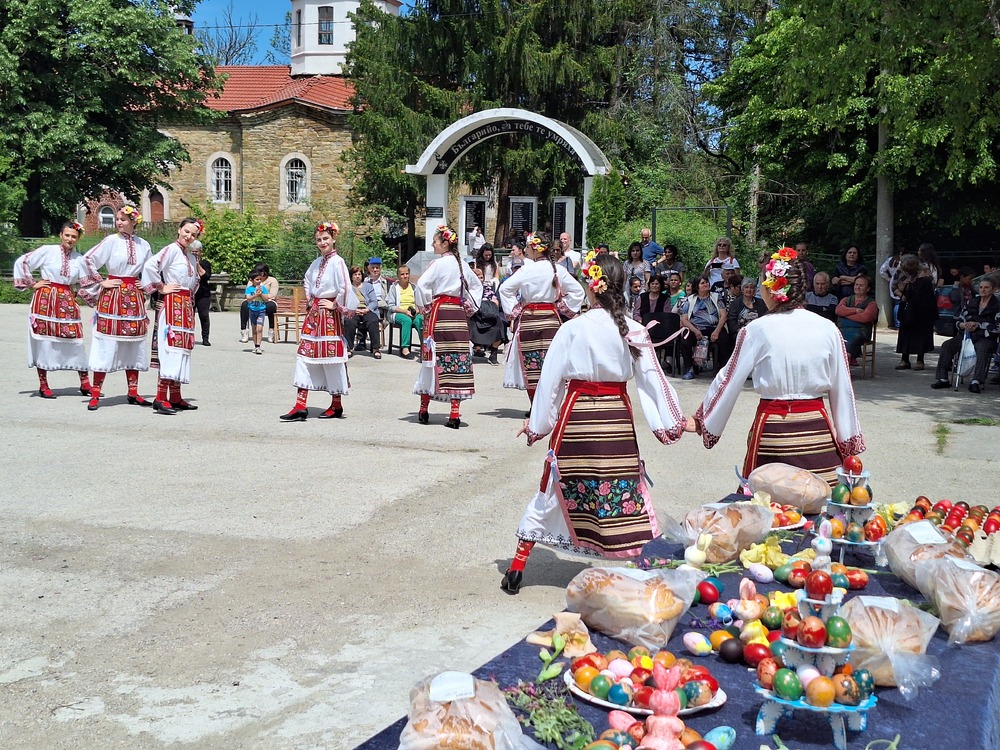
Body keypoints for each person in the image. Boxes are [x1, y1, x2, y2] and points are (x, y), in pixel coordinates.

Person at [500, 253, 689, 595]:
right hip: (615, 419)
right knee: (625, 491)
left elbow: (550, 381)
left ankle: (516, 567)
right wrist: (675, 421)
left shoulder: (572, 328)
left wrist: (536, 425)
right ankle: (645, 569)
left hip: (577, 419)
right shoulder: (631, 329)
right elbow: (653, 380)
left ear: (591, 285)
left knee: (551, 491)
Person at [694, 247, 865, 487]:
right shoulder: (828, 329)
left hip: (774, 431)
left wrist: (703, 420)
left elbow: (728, 379)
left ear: (772, 288)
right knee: (821, 505)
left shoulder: (756, 330)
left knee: (768, 507)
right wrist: (848, 441)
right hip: (816, 431)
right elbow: (843, 389)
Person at [279, 222, 357, 421]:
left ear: (333, 239)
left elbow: (345, 287)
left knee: (331, 359)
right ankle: (300, 405)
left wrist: (335, 305)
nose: (322, 242)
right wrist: (311, 299)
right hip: (314, 316)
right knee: (305, 358)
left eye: (325, 239)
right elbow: (307, 279)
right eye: (319, 240)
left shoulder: (337, 261)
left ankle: (336, 404)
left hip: (329, 317)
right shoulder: (316, 263)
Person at [79, 205, 153, 409]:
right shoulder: (111, 241)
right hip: (113, 296)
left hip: (134, 298)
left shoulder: (143, 245)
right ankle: (95, 393)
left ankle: (133, 392)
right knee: (106, 343)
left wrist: (145, 284)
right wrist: (101, 281)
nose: (119, 222)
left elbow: (151, 268)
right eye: (118, 219)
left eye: (123, 219)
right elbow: (87, 260)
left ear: (133, 222)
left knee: (133, 344)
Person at [499, 235, 585, 408]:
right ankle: (551, 406)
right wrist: (561, 306)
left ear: (536, 249)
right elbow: (577, 291)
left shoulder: (526, 270)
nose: (527, 250)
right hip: (551, 320)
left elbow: (505, 289)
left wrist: (515, 310)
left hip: (530, 320)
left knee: (532, 365)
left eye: (529, 247)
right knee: (551, 363)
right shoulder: (557, 270)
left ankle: (536, 407)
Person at [14, 221, 95, 399]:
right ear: (61, 235)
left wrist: (94, 297)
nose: (70, 239)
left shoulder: (79, 259)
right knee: (44, 341)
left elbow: (87, 281)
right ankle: (43, 384)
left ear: (78, 238)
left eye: (74, 236)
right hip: (46, 299)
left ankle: (85, 383)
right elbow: (23, 262)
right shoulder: (47, 251)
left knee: (75, 340)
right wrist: (32, 283)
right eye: (67, 235)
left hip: (67, 300)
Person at [413, 224, 484, 429]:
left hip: (440, 313)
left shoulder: (438, 264)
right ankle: (454, 413)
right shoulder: (461, 264)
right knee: (458, 359)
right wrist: (470, 308)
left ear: (445, 243)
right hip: (458, 316)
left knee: (433, 360)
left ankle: (424, 408)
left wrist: (425, 308)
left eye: (435, 241)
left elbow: (422, 285)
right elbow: (477, 285)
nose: (433, 244)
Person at [141, 217, 204, 415]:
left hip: (185, 307)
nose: (189, 236)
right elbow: (151, 266)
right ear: (179, 230)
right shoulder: (170, 250)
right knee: (169, 347)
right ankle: (160, 397)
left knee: (181, 349)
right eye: (186, 231)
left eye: (193, 234)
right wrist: (161, 287)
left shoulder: (192, 257)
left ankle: (175, 396)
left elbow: (194, 282)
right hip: (171, 305)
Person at [931, 276, 1000, 393]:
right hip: (966, 334)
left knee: (982, 349)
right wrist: (964, 325)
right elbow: (959, 320)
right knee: (947, 345)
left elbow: (997, 328)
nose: (983, 290)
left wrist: (978, 325)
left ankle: (976, 382)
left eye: (986, 287)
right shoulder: (971, 302)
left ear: (993, 289)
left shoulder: (997, 305)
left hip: (985, 337)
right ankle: (943, 379)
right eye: (981, 287)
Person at [893, 254, 938, 371]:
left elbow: (932, 285)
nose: (906, 269)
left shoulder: (924, 270)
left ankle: (920, 360)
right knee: (905, 331)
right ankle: (904, 359)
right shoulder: (900, 270)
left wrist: (918, 281)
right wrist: (901, 295)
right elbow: (894, 285)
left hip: (923, 305)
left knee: (922, 332)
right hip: (907, 302)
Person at [678, 274, 725, 380]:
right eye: (702, 283)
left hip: (713, 328)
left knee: (724, 338)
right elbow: (684, 319)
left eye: (707, 282)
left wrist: (717, 331)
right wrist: (695, 331)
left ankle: (722, 370)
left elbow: (723, 315)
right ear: (697, 286)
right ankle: (689, 369)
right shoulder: (690, 300)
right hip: (696, 328)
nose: (706, 284)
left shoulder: (716, 297)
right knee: (685, 339)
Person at [835, 275, 878, 366]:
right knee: (836, 338)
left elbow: (866, 317)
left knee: (854, 338)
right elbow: (838, 310)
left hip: (861, 332)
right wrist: (855, 311)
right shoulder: (846, 299)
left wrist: (846, 315)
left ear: (868, 288)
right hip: (843, 330)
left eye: (861, 285)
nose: (857, 287)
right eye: (856, 284)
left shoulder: (871, 303)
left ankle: (846, 363)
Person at [469, 266, 505, 364]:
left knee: (499, 326)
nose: (479, 279)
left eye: (481, 277)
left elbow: (495, 301)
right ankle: (476, 349)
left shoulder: (487, 288)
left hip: (488, 315)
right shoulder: (467, 289)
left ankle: (493, 355)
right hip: (474, 316)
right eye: (476, 277)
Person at [386, 264, 423, 359]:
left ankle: (424, 346)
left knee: (420, 320)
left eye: (407, 274)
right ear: (398, 276)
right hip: (398, 313)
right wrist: (405, 311)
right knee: (407, 320)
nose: (405, 276)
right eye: (402, 274)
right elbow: (391, 306)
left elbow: (419, 303)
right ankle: (405, 348)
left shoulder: (414, 287)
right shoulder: (394, 287)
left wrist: (417, 311)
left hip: (413, 312)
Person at [343, 265, 379, 356]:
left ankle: (375, 348)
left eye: (359, 274)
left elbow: (374, 301)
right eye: (355, 274)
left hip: (367, 309)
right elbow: (344, 302)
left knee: (373, 320)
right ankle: (349, 348)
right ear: (351, 276)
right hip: (353, 310)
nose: (358, 276)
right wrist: (354, 310)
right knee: (349, 321)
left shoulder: (368, 286)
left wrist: (367, 309)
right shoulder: (347, 287)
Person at [239, 264, 279, 343]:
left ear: (263, 273)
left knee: (271, 306)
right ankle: (244, 330)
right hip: (254, 299)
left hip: (267, 300)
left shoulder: (272, 280)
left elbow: (273, 294)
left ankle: (271, 330)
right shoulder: (252, 280)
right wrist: (255, 296)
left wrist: (262, 295)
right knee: (244, 305)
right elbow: (248, 292)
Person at [360, 257, 388, 359]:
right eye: (373, 268)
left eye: (377, 268)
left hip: (380, 307)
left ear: (380, 269)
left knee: (372, 317)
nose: (375, 270)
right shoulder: (364, 282)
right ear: (369, 269)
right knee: (361, 313)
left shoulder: (386, 283)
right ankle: (362, 340)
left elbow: (388, 300)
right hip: (365, 306)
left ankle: (374, 345)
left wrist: (375, 304)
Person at [190, 240, 212, 346]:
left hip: (203, 293)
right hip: (191, 293)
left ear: (200, 252)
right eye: (192, 252)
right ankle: (189, 336)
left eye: (196, 252)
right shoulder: (187, 262)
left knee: (204, 316)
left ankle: (205, 338)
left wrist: (197, 264)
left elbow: (206, 276)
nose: (195, 254)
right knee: (190, 316)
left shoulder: (205, 263)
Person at [244, 269, 269, 355]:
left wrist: (261, 294)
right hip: (252, 310)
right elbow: (248, 299)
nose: (259, 281)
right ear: (252, 280)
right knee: (254, 329)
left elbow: (266, 299)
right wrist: (255, 295)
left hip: (261, 310)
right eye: (257, 279)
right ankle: (255, 345)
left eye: (260, 279)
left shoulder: (263, 288)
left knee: (259, 328)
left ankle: (258, 346)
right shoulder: (249, 289)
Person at [879, 248, 903, 327]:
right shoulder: (905, 260)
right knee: (900, 302)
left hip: (893, 281)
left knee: (897, 302)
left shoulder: (890, 260)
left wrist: (889, 279)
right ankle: (899, 323)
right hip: (903, 281)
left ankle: (897, 323)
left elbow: (882, 270)